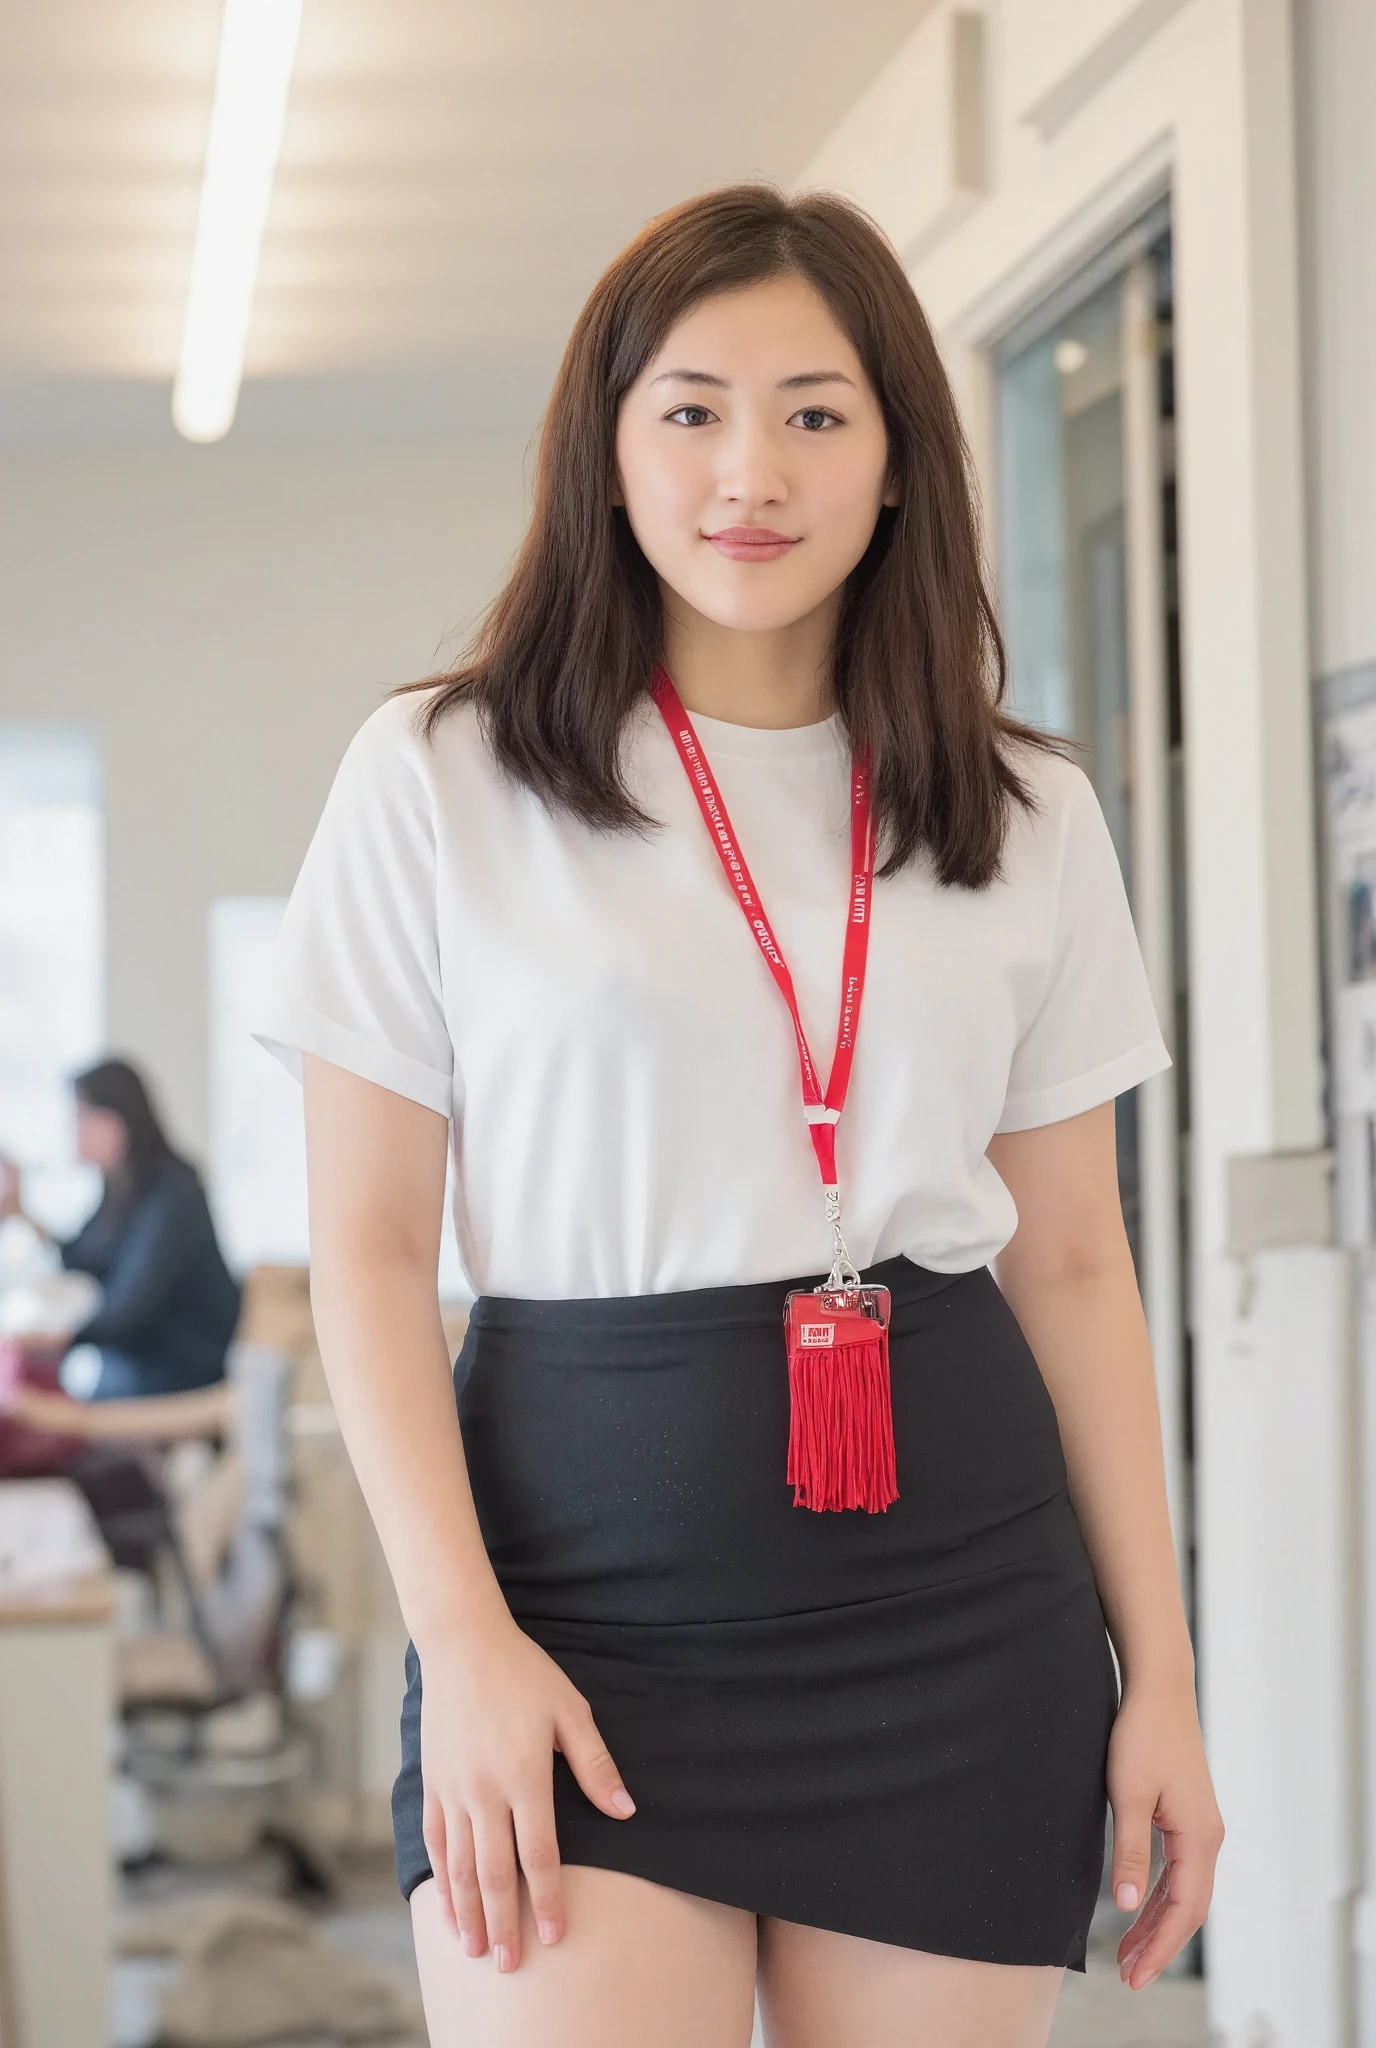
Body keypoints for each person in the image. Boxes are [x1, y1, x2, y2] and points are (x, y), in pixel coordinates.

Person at [252, 186, 1223, 2048]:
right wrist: (459, 1643)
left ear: (894, 461)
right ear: (606, 454)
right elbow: (370, 1255)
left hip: (960, 1604)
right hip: (572, 1595)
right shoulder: (441, 778)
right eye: (690, 408)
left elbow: (1082, 1266)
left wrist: (1159, 1676)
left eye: (814, 409)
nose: (748, 469)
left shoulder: (1026, 815)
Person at [0, 1058, 241, 1405]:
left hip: (177, 1374)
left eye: (80, 1117)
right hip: (133, 1366)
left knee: (43, 1406)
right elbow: (83, 1259)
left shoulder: (173, 1193)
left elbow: (128, 1312)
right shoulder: (122, 1188)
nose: (72, 1132)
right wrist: (22, 1213)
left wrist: (58, 1340)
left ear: (114, 1120)